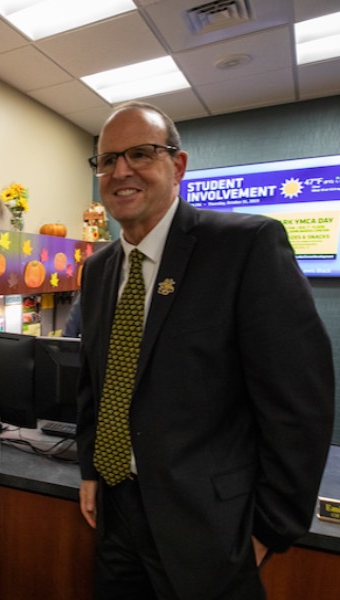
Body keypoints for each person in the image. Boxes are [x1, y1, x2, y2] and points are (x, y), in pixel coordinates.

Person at [76, 101, 335, 600]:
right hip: (116, 515)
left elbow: (301, 404)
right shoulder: (99, 268)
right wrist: (90, 468)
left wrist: (269, 530)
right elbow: (97, 379)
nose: (121, 171)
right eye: (108, 159)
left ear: (177, 165)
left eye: (140, 154)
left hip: (209, 530)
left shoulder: (245, 246)